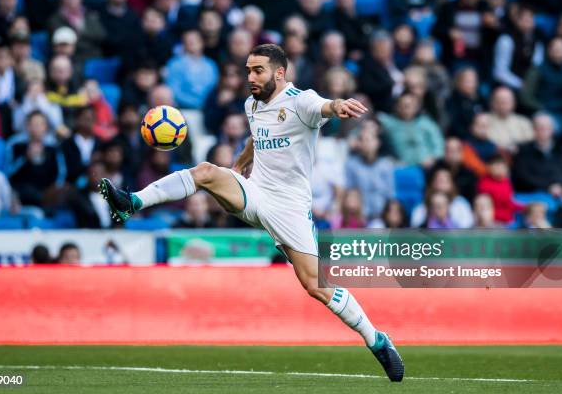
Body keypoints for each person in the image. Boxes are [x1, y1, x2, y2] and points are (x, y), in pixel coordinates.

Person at [99, 44, 404, 381]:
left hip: (290, 207)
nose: (250, 77)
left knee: (316, 286)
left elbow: (323, 106)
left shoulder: (301, 101)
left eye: (257, 70)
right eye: (247, 70)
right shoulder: (252, 104)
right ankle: (133, 202)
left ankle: (376, 340)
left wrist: (337, 105)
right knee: (205, 172)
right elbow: (258, 136)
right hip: (256, 193)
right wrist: (244, 159)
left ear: (279, 73)